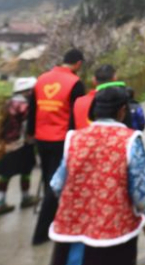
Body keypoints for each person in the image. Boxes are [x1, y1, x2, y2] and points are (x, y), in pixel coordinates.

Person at [48, 86, 145, 265]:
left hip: (72, 234)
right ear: (122, 111)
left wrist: (79, 206)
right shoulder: (130, 141)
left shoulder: (74, 138)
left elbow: (56, 184)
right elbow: (141, 191)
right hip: (114, 237)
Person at [27, 49, 86, 245]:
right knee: (57, 184)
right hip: (61, 139)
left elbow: (33, 109)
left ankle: (53, 220)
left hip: (41, 138)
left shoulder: (41, 79)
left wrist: (30, 133)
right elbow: (77, 114)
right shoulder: (75, 83)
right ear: (78, 64)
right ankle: (41, 232)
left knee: (48, 181)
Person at [0, 77, 39, 216]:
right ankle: (25, 197)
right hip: (22, 144)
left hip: (6, 143)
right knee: (26, 170)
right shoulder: (25, 106)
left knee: (5, 173)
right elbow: (27, 125)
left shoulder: (8, 103)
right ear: (28, 91)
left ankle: (0, 202)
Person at [72, 64, 124, 130]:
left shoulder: (78, 102)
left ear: (94, 80)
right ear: (115, 78)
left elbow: (72, 127)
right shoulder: (120, 101)